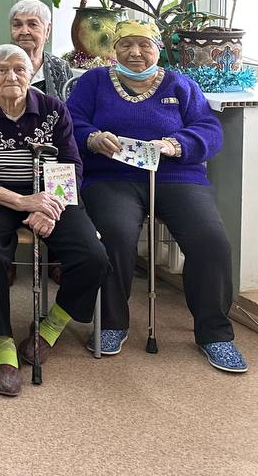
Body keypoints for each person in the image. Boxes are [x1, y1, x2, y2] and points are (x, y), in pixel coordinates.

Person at [68, 20, 247, 372]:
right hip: (112, 176)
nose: (135, 53)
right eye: (126, 45)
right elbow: (69, 121)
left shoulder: (182, 85)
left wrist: (176, 144)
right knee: (115, 235)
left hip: (176, 176)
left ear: (158, 50)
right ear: (114, 49)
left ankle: (215, 333)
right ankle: (112, 322)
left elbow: (209, 130)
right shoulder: (94, 82)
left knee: (211, 241)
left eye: (144, 45)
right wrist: (91, 138)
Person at [0, 44, 108, 397]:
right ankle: (3, 345)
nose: (11, 76)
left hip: (50, 196)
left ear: (31, 75)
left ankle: (50, 326)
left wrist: (48, 206)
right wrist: (21, 201)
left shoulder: (53, 109)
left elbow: (72, 164)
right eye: (2, 70)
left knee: (93, 256)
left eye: (19, 69)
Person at [0, 0, 71, 97]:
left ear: (47, 30)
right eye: (17, 25)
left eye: (33, 24)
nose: (24, 31)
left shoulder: (61, 67)